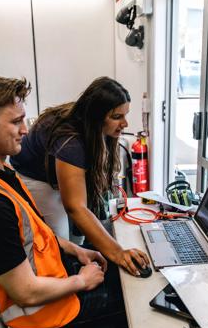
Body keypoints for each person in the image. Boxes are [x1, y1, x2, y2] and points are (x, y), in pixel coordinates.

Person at [0, 74, 124, 328]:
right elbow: (26, 293)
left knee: (120, 275)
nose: (25, 130)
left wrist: (75, 251)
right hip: (45, 318)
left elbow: (34, 236)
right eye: (16, 121)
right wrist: (80, 280)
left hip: (53, 286)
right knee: (131, 295)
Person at [9, 77, 150, 276]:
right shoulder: (71, 142)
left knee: (79, 237)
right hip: (34, 178)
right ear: (97, 116)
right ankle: (63, 285)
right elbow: (74, 207)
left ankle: (79, 273)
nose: (125, 123)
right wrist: (118, 253)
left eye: (125, 115)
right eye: (117, 117)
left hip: (53, 169)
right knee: (57, 245)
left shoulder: (87, 120)